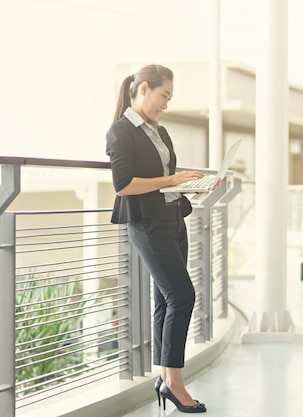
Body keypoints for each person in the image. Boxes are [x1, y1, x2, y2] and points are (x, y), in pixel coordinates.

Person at [106, 64, 218, 413]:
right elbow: (124, 185)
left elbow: (166, 179)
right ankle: (174, 383)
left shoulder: (161, 131)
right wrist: (172, 181)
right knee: (182, 296)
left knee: (166, 300)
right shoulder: (120, 131)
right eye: (163, 95)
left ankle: (165, 377)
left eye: (169, 97)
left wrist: (191, 184)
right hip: (147, 225)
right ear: (142, 89)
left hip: (173, 220)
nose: (166, 104)